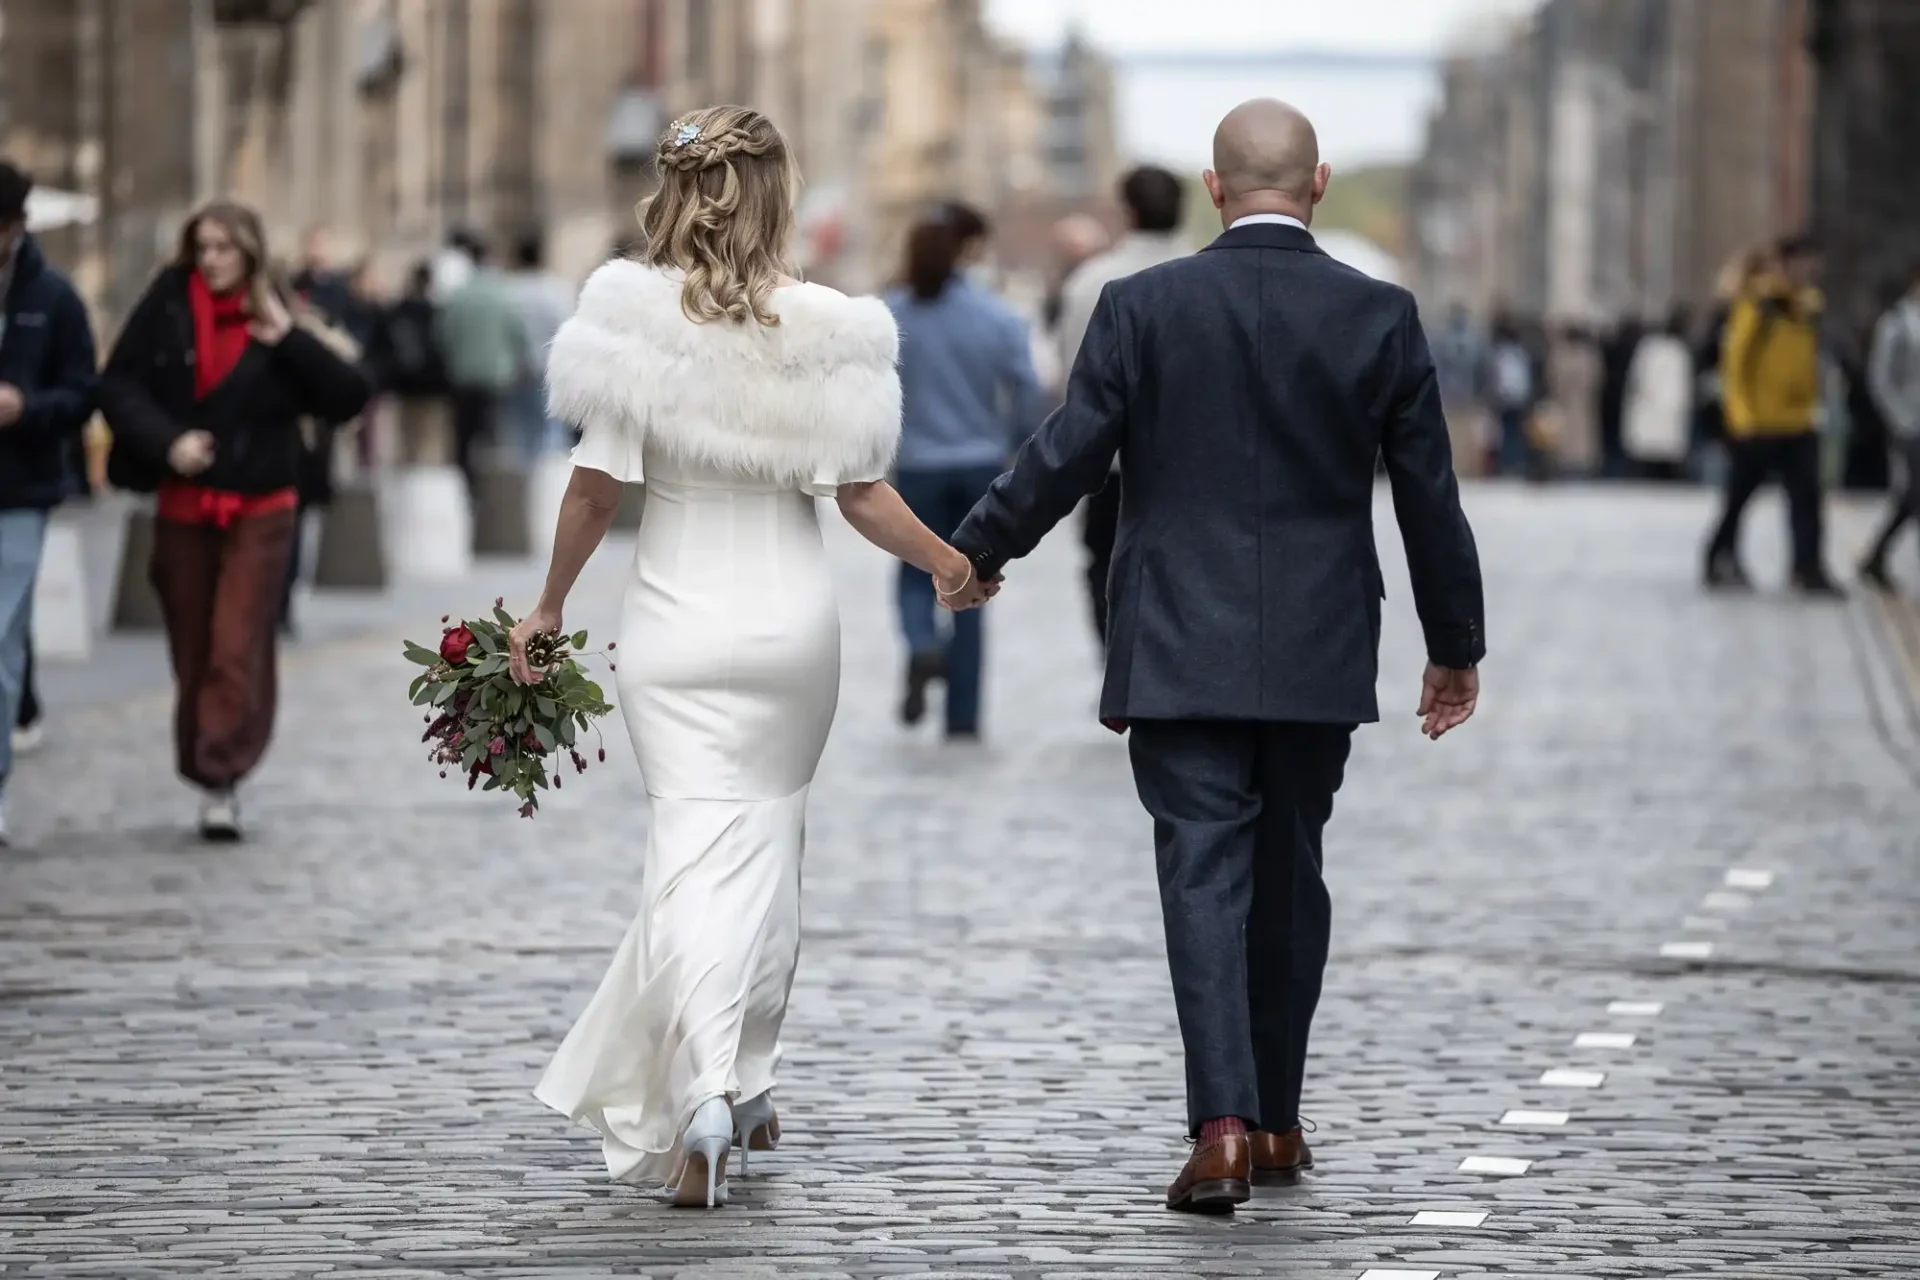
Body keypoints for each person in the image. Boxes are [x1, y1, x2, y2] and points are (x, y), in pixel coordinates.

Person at [947, 98, 1484, 1214]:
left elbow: (1069, 451)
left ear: (1214, 187)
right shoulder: (1379, 314)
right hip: (1321, 641)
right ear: (1321, 184)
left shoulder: (1140, 304)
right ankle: (1279, 1115)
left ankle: (1226, 1125)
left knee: (1201, 870)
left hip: (1178, 635)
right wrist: (1454, 645)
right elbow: (1427, 493)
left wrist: (978, 547)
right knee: (1292, 874)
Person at [508, 105, 984, 1208]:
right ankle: (735, 1079)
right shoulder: (833, 329)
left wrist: (546, 608)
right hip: (787, 625)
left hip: (672, 625)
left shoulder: (629, 318)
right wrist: (948, 566)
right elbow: (861, 494)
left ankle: (716, 1089)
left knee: (689, 849)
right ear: (778, 198)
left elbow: (593, 486)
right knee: (767, 841)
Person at [98, 200, 370, 841]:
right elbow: (115, 387)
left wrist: (291, 341)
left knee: (236, 642)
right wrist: (169, 442)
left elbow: (348, 397)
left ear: (249, 252)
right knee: (193, 649)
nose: (213, 260)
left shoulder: (277, 314)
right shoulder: (166, 308)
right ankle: (207, 762)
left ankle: (220, 776)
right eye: (204, 248)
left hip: (263, 507)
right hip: (184, 506)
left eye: (224, 248)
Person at [883, 214, 1044, 737]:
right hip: (980, 464)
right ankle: (963, 715)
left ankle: (923, 645)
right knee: (972, 583)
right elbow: (1025, 388)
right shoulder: (995, 316)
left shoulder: (894, 316)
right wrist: (1016, 445)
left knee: (913, 572)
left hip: (919, 465)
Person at [0, 161, 97, 845]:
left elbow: (84, 393)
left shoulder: (54, 298)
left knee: (1, 648)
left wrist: (26, 406)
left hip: (21, 493)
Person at [1055, 165, 1188, 649]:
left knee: (1106, 572)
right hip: (1194, 466)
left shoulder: (1090, 282)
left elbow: (1074, 382)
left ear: (1127, 212)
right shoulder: (1213, 274)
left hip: (1112, 466)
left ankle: (1120, 667)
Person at [1702, 234, 1838, 594]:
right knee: (1740, 497)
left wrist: (1815, 405)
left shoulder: (1809, 307)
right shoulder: (1759, 304)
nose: (1810, 270)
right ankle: (1719, 556)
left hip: (1798, 421)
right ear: (1784, 263)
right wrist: (1741, 417)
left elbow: (1809, 361)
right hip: (1758, 423)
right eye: (1803, 262)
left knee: (1808, 498)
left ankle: (1807, 567)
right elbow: (1735, 364)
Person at [433, 238, 527, 506]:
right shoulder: (503, 292)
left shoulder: (458, 294)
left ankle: (469, 490)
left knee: (464, 435)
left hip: (462, 375)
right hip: (498, 375)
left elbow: (443, 334)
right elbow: (517, 333)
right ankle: (493, 492)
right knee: (494, 433)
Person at [1859, 264, 1920, 588]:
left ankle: (1876, 556)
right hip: (1911, 424)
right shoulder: (1898, 323)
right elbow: (1881, 378)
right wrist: (1899, 419)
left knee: (1911, 496)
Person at [369, 262, 453, 464]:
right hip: (433, 382)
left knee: (406, 432)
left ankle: (408, 468)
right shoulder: (437, 312)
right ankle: (423, 471)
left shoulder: (398, 311)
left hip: (404, 382)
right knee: (430, 435)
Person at [504, 231, 576, 462]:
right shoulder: (556, 289)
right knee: (552, 431)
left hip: (517, 370)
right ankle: (551, 488)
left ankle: (526, 488)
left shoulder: (508, 291)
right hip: (551, 368)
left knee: (520, 432)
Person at [1621, 308, 1695, 481]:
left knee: (1650, 467)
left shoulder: (1649, 349)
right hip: (1664, 416)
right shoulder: (1677, 352)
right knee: (1661, 467)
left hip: (1653, 416)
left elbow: (1636, 382)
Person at [1429, 303, 1489, 477]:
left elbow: (1480, 368)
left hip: (1464, 393)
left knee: (1463, 434)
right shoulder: (1444, 340)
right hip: (1449, 393)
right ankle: (1454, 466)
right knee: (1451, 432)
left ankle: (1463, 467)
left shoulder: (1473, 340)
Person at [1486, 312, 1536, 476]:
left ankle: (1508, 463)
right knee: (1514, 432)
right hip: (1517, 398)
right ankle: (1515, 462)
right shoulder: (1521, 354)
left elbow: (1496, 377)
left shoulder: (1500, 354)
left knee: (1506, 433)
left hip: (1505, 399)